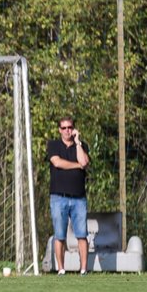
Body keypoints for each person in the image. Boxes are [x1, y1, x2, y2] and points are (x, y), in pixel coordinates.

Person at [48, 117, 90, 275]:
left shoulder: (82, 146)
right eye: (64, 128)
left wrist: (78, 142)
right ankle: (61, 269)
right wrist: (76, 166)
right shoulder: (53, 145)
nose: (67, 130)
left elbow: (84, 162)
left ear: (74, 129)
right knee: (60, 234)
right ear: (59, 130)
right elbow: (57, 162)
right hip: (59, 197)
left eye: (69, 127)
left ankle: (84, 269)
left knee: (82, 234)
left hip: (79, 198)